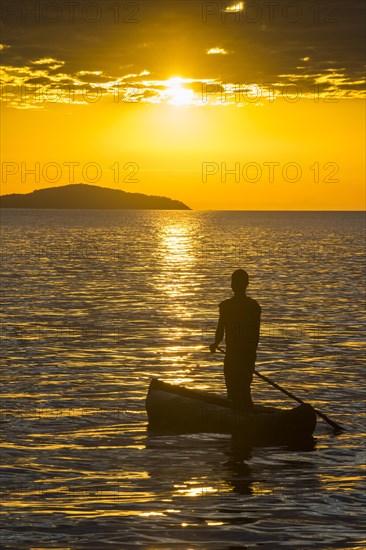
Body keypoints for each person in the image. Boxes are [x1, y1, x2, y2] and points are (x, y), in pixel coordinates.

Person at [210, 269, 261, 410]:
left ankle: (245, 418)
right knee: (239, 391)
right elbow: (221, 330)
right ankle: (243, 416)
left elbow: (254, 334)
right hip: (239, 356)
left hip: (241, 357)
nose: (234, 285)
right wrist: (215, 343)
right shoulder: (231, 306)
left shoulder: (250, 307)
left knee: (240, 391)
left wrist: (216, 343)